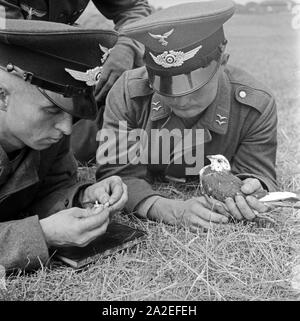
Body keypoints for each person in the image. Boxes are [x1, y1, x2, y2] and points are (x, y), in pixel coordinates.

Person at [96, 0, 278, 230]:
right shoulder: (127, 93)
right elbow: (115, 175)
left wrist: (252, 188)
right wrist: (164, 208)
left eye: (195, 87)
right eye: (166, 87)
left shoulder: (255, 106)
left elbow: (257, 173)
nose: (180, 100)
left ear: (223, 60)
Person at [0, 19, 127, 272]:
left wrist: (82, 197)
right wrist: (43, 235)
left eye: (73, 114)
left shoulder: (47, 135)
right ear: (2, 95)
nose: (67, 128)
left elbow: (49, 188)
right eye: (51, 110)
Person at [0, 0, 152, 162]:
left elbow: (133, 8)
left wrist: (127, 47)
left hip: (63, 64)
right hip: (21, 72)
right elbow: (9, 41)